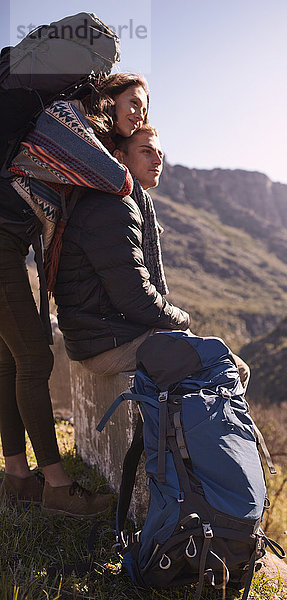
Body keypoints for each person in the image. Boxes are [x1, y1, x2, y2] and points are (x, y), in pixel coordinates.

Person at [0, 73, 149, 516]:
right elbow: (117, 179)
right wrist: (120, 157)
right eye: (134, 102)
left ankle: (18, 477)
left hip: (8, 246)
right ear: (109, 96)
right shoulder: (67, 117)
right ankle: (58, 488)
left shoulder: (64, 123)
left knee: (8, 361)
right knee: (35, 359)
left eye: (145, 108)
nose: (140, 114)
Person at [54, 126, 250, 387]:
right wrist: (183, 319)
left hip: (105, 335)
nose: (158, 160)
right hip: (107, 344)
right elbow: (135, 298)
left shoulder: (122, 202)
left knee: (208, 353)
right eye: (146, 152)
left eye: (160, 154)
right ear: (119, 158)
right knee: (232, 367)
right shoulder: (112, 206)